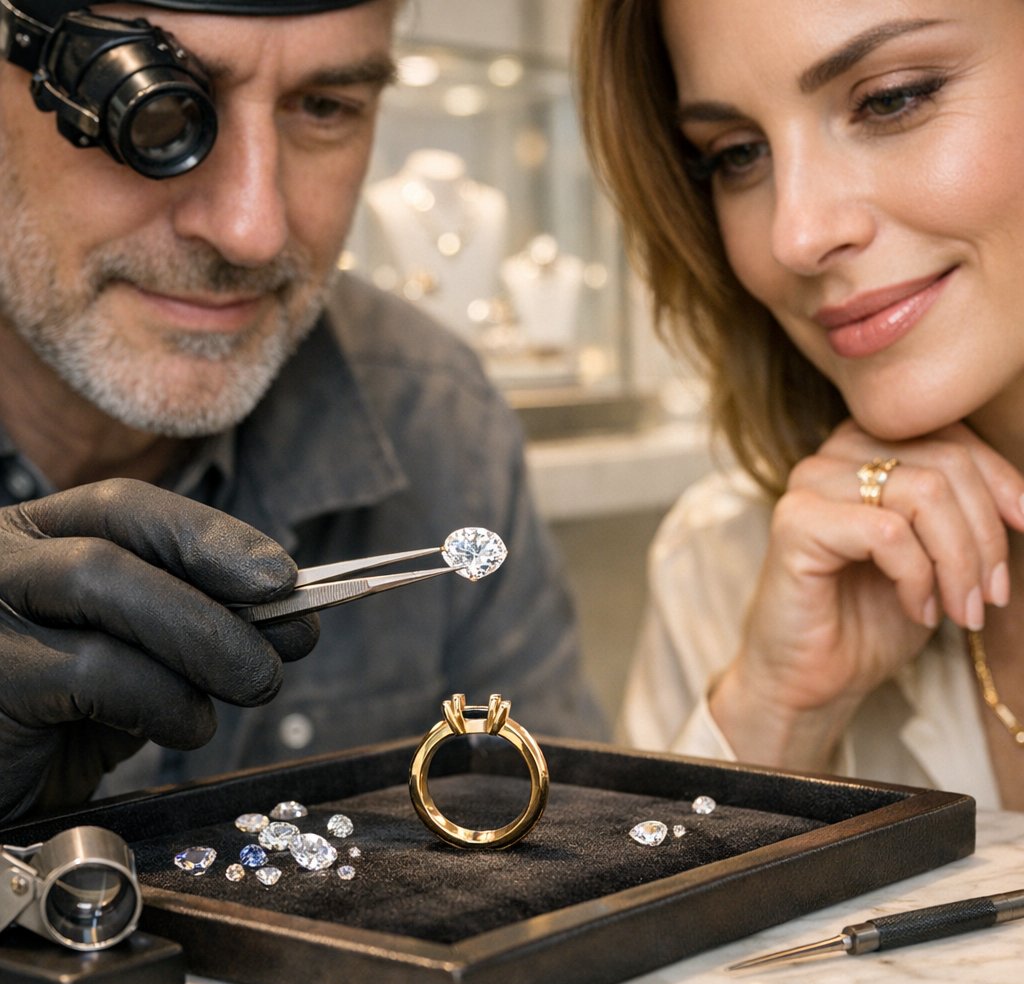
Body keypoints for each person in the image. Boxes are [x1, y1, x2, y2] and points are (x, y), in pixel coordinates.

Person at [0, 0, 599, 824]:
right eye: (158, 95)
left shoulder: (433, 415)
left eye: (324, 107)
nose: (253, 229)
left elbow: (569, 845)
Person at [576, 1, 1024, 810]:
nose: (795, 235)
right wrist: (777, 717)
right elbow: (636, 930)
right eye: (738, 155)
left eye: (892, 98)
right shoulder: (731, 559)